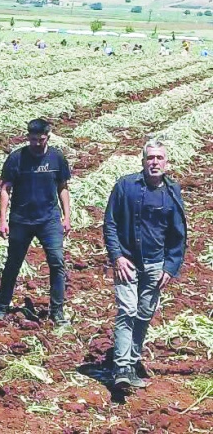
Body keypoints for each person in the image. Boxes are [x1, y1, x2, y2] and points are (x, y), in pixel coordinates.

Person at [104, 140, 186, 389]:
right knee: (127, 311)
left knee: (143, 314)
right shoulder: (125, 186)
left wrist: (170, 267)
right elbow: (110, 223)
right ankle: (121, 368)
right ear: (143, 161)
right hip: (127, 262)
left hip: (155, 265)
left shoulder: (172, 191)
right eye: (150, 158)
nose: (155, 162)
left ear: (166, 163)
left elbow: (178, 233)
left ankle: (132, 362)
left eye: (159, 158)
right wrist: (117, 256)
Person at [0, 118, 71, 326]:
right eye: (34, 139)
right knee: (13, 263)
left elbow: (62, 187)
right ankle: (2, 306)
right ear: (27, 137)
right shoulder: (16, 158)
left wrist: (67, 216)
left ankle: (57, 310)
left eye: (42, 139)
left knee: (57, 262)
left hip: (49, 220)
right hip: (21, 219)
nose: (37, 143)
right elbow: (5, 189)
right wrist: (2, 219)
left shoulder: (57, 158)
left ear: (48, 137)